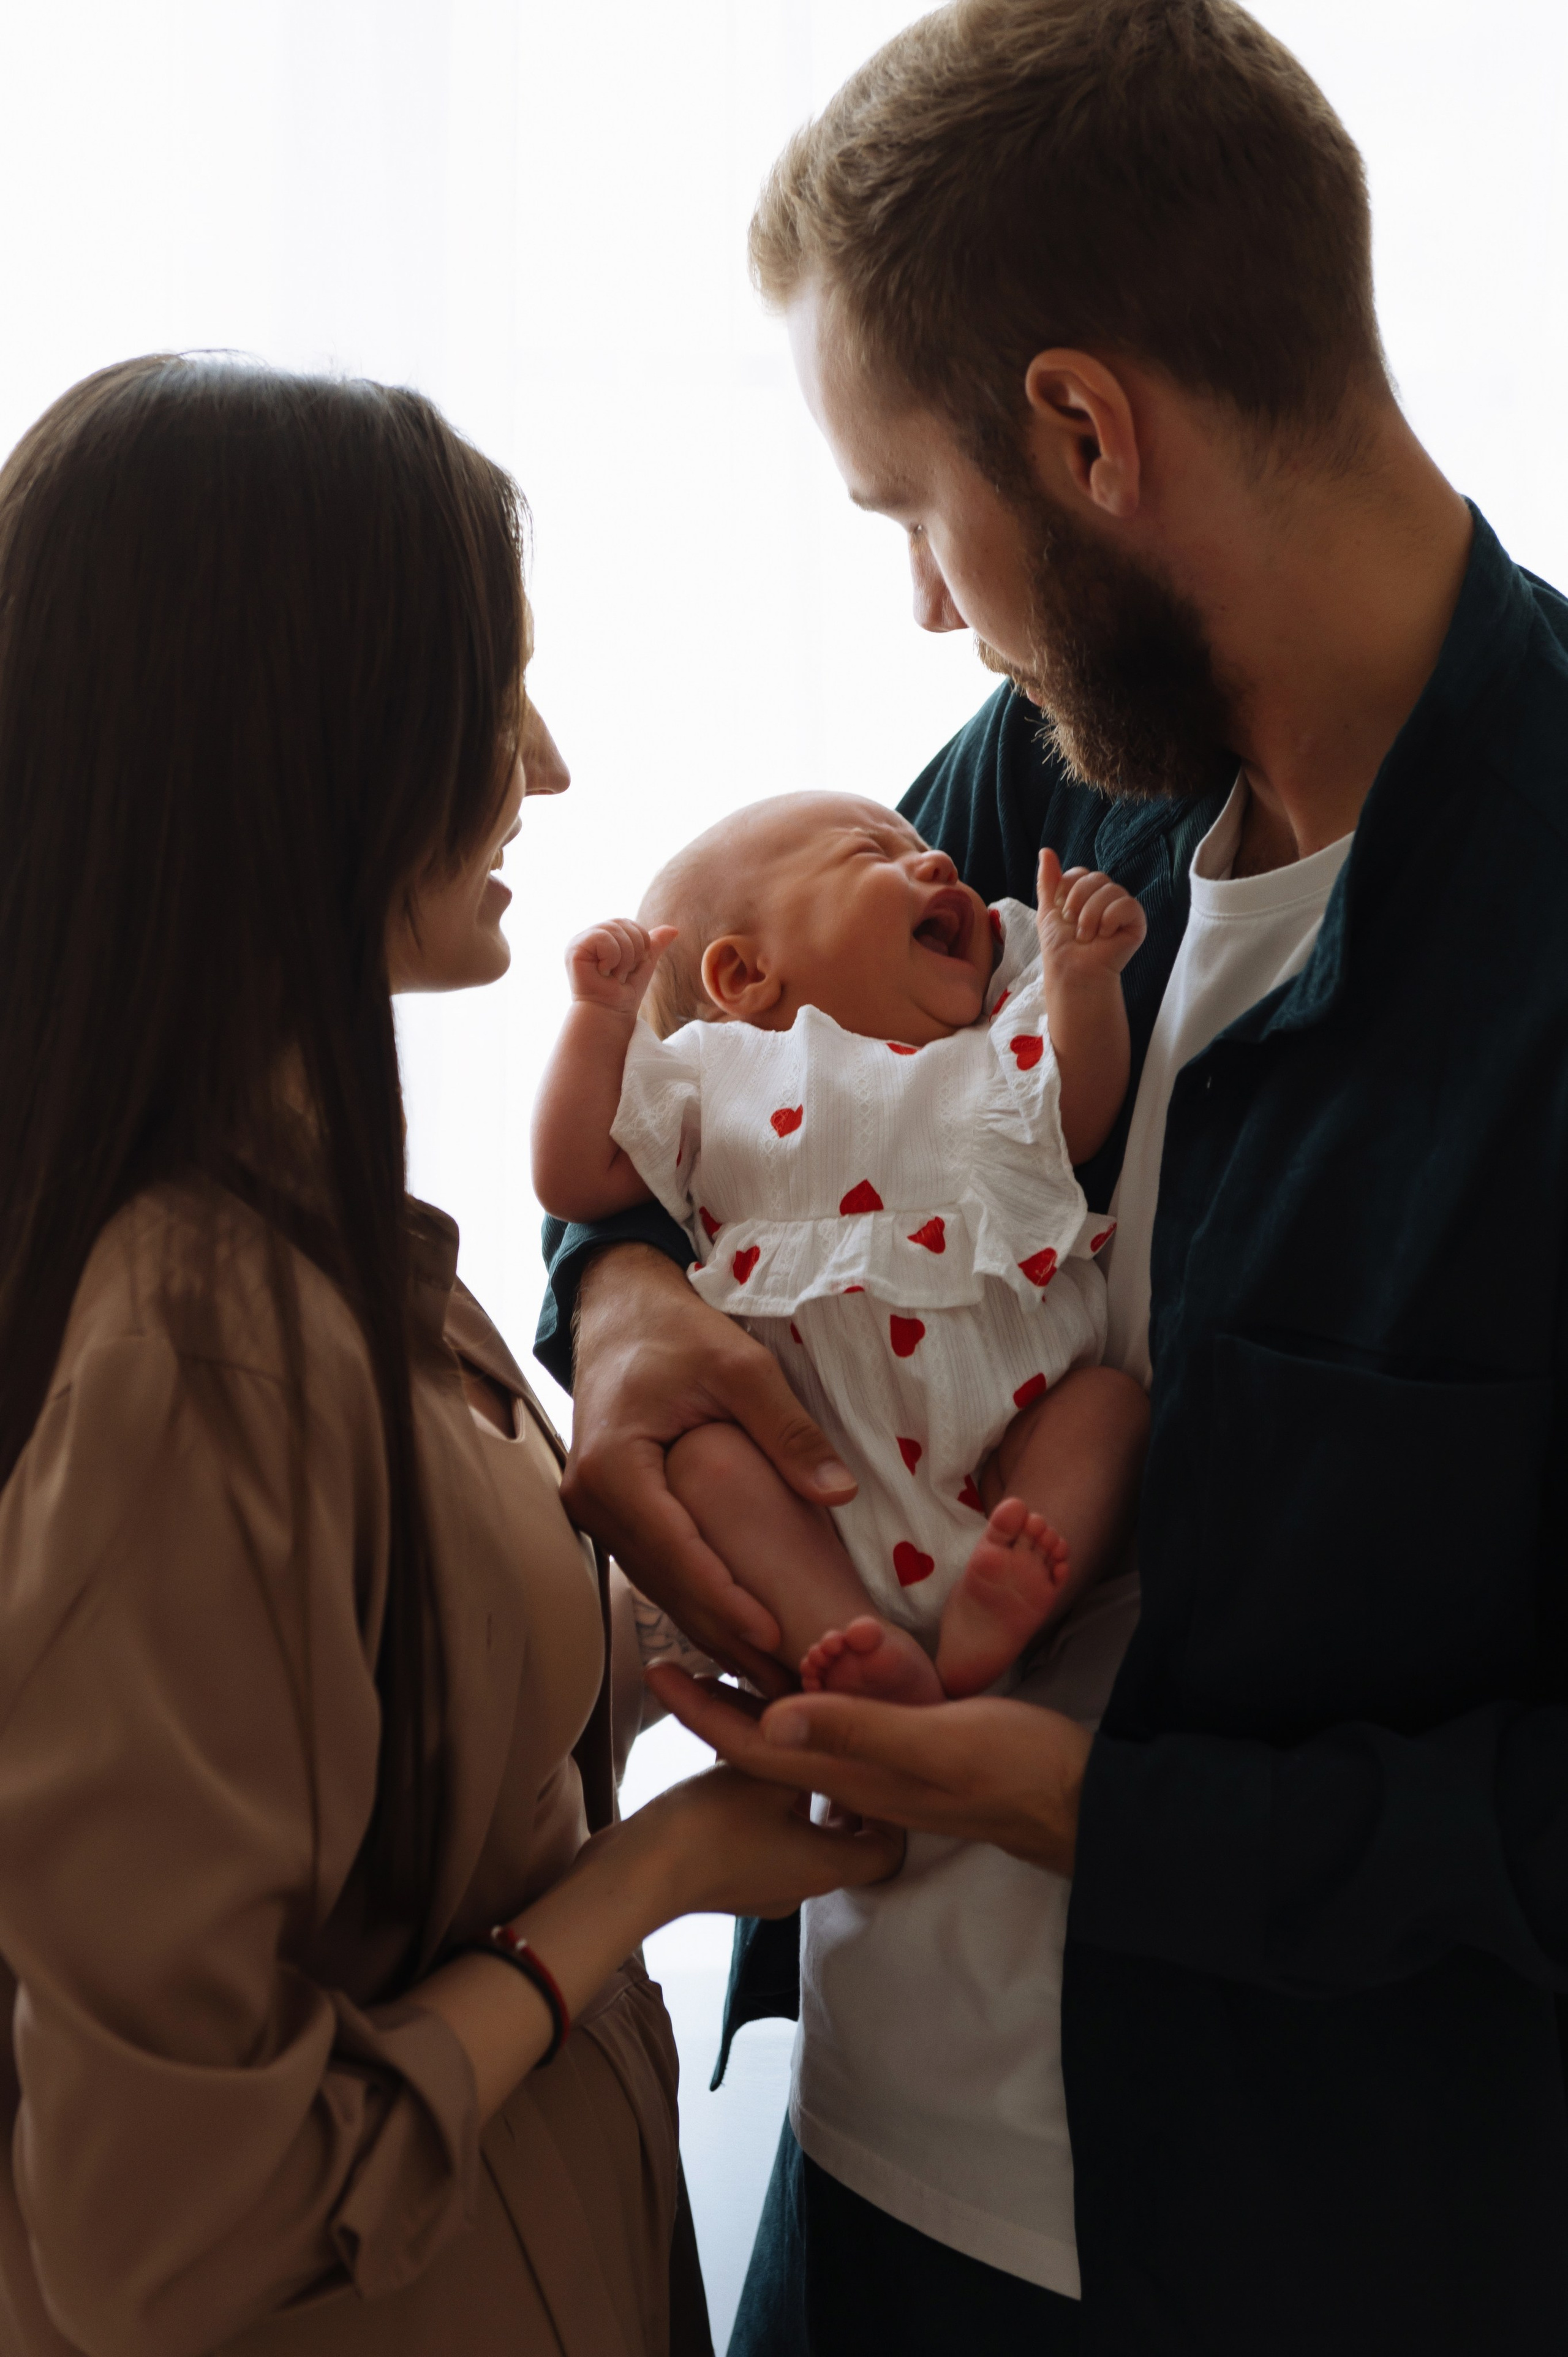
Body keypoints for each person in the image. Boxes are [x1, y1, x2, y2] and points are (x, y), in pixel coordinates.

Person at [538, 2, 1568, 2351]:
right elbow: (705, 1106)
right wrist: (622, 1296)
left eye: (917, 511)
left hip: (1292, 2252)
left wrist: (1099, 1808)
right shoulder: (1033, 780)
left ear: (1086, 429)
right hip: (860, 2170)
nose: (926, 604)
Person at [0, 355, 902, 2357]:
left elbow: (370, 1745)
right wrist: (647, 1874)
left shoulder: (319, 1239)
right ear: (293, 743)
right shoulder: (196, 1356)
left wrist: (689, 1676)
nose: (552, 762)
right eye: (487, 688)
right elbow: (168, 2237)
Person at [531, 790, 1148, 1706]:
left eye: (932, 854)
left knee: (1109, 1410)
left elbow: (1081, 1120)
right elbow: (574, 1179)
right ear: (743, 978)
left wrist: (1084, 983)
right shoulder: (714, 1076)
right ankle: (846, 1637)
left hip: (1007, 1441)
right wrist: (597, 1018)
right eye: (876, 853)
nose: (940, 864)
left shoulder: (999, 1038)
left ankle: (1012, 1592)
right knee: (706, 1466)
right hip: (817, 1492)